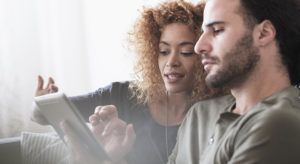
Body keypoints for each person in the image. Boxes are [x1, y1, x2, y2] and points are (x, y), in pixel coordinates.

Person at [32, 1, 226, 164]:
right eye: (164, 51)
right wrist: (42, 104)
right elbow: (43, 115)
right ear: (152, 53)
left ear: (204, 56)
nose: (172, 62)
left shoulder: (213, 114)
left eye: (186, 52)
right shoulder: (122, 95)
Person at [167, 0, 300, 163]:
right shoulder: (199, 116)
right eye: (203, 32)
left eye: (217, 30)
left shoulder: (279, 124)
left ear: (263, 33)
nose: (198, 47)